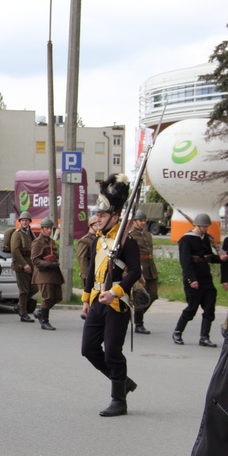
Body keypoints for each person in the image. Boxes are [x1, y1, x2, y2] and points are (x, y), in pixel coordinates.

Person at [80, 174, 141, 417]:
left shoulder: (127, 241)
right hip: (97, 300)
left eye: (102, 216)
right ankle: (123, 382)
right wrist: (86, 299)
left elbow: (136, 272)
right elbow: (91, 272)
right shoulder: (99, 241)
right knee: (89, 349)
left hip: (117, 302)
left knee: (113, 351)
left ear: (115, 216)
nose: (97, 219)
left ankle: (119, 400)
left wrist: (115, 291)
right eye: (98, 215)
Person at [189, 200, 228, 456]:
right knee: (194, 310)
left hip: (208, 279)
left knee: (207, 311)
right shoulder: (190, 241)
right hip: (200, 280)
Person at [173, 213, 228, 347]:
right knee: (192, 308)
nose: (206, 228)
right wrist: (192, 279)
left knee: (209, 308)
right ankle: (177, 332)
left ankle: (204, 337)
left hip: (206, 278)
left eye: (207, 226)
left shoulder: (205, 239)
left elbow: (207, 257)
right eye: (204, 226)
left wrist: (219, 259)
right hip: (193, 278)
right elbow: (185, 262)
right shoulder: (186, 239)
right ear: (198, 225)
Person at [129, 210, 159, 334]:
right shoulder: (131, 236)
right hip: (140, 268)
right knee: (141, 296)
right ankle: (139, 324)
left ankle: (136, 315)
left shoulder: (147, 235)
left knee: (153, 295)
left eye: (144, 220)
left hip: (150, 268)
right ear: (134, 221)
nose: (142, 223)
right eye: (140, 220)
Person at [31, 217, 61, 331]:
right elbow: (34, 259)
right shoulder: (37, 242)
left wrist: (55, 261)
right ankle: (45, 321)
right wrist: (48, 263)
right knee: (47, 297)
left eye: (50, 228)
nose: (49, 230)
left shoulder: (51, 241)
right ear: (42, 229)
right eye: (47, 228)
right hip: (43, 273)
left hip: (54, 273)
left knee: (57, 297)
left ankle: (40, 312)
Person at [10, 211, 38, 323]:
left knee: (35, 287)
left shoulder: (30, 233)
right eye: (22, 220)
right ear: (20, 222)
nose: (25, 222)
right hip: (21, 265)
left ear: (30, 222)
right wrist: (24, 264)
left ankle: (19, 306)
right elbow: (15, 251)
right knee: (24, 290)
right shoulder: (17, 234)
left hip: (30, 264)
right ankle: (23, 313)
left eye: (27, 220)